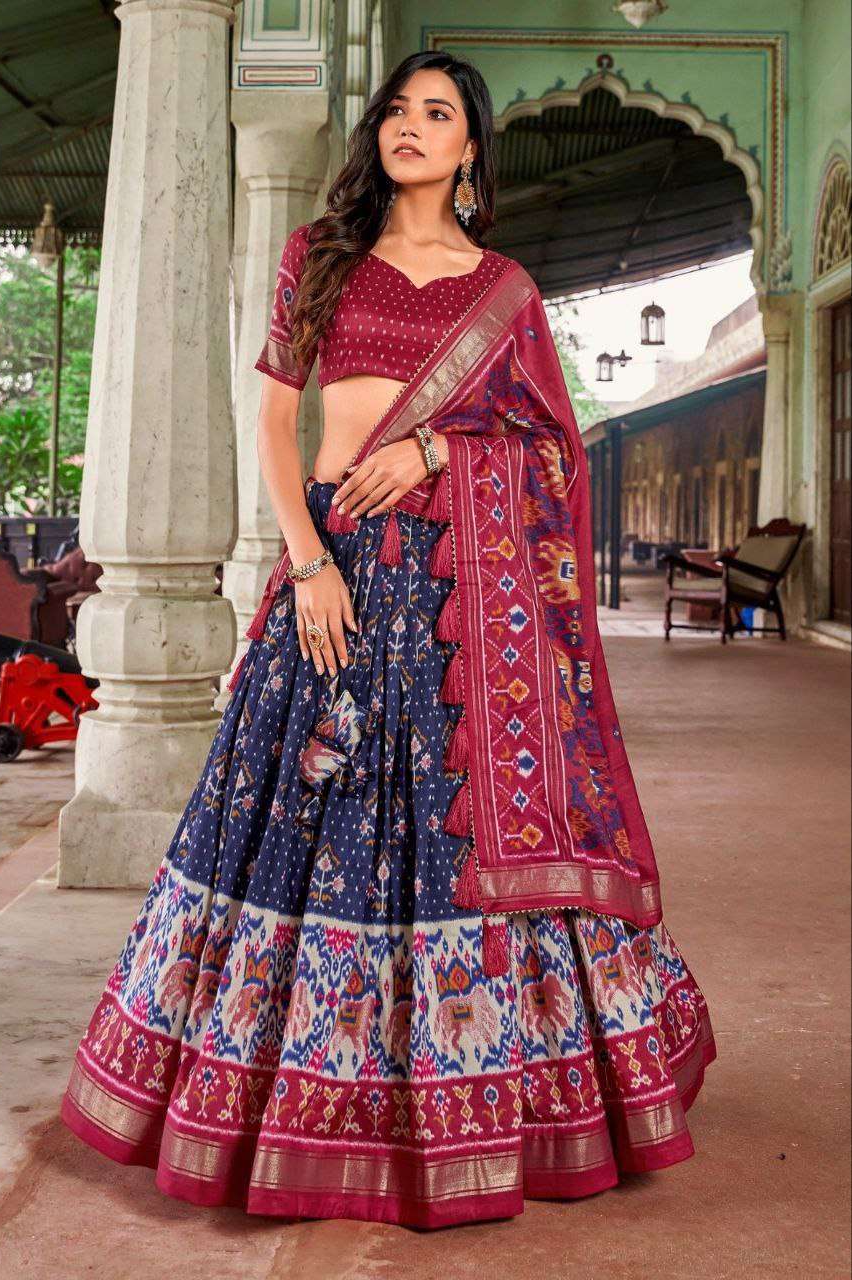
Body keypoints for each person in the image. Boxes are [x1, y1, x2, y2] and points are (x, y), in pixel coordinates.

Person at [60, 48, 716, 1231]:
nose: (410, 126)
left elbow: (554, 454)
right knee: (293, 821)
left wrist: (436, 452)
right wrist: (308, 561)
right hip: (336, 578)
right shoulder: (319, 255)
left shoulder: (503, 291)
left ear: (469, 151)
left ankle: (462, 1095)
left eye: (438, 113)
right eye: (397, 110)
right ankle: (273, 1096)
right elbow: (274, 421)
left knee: (439, 828)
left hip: (458, 596)